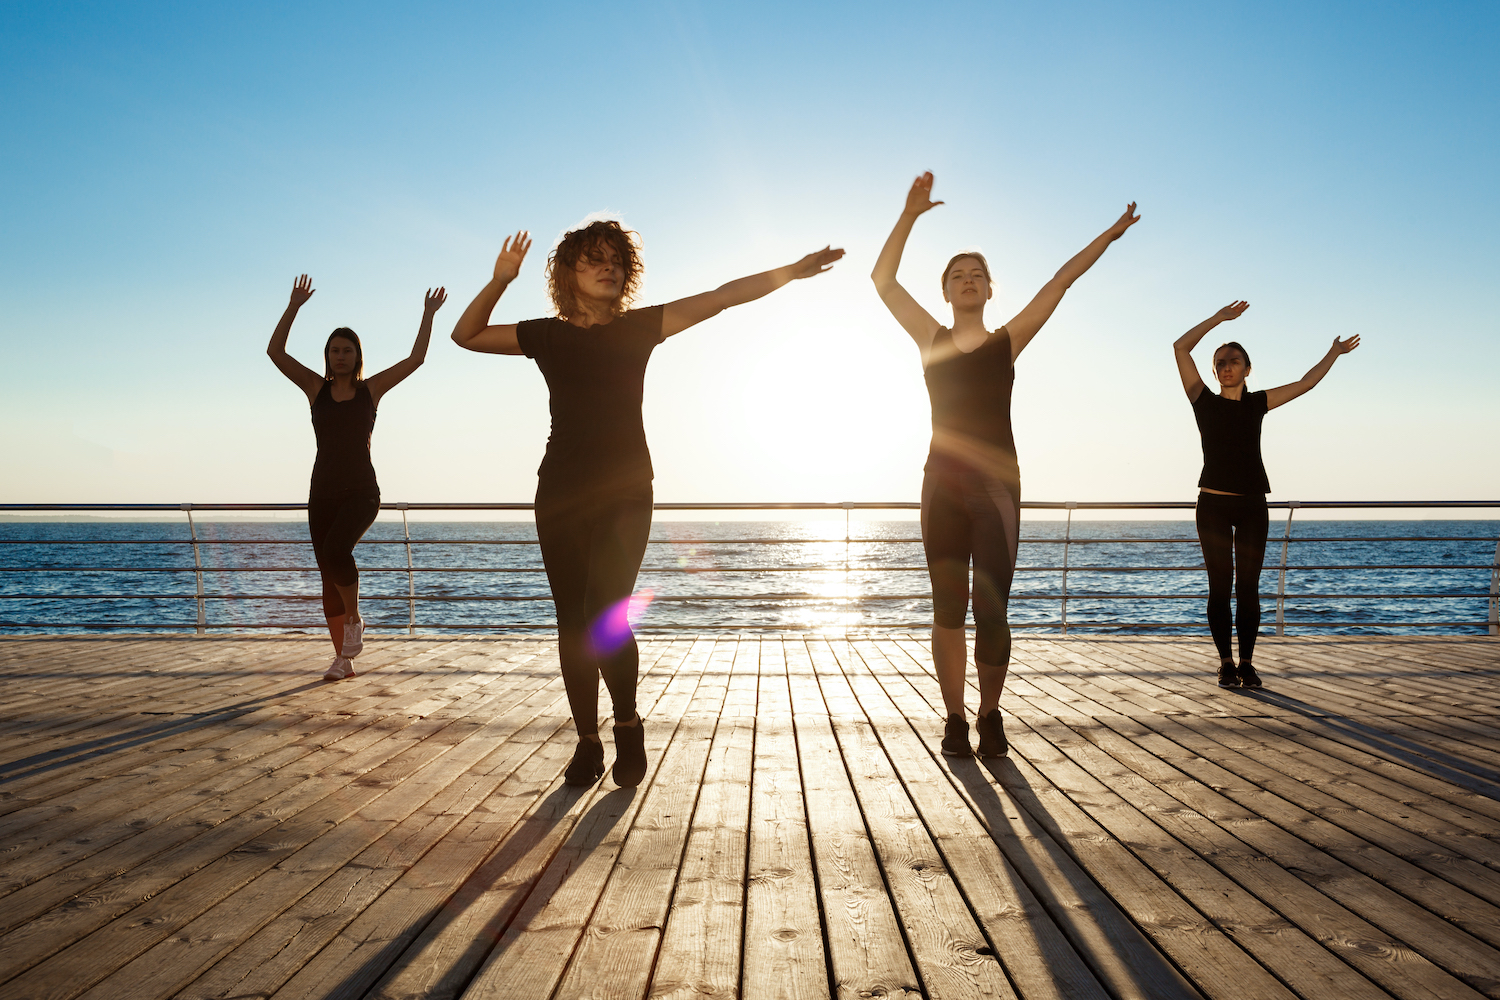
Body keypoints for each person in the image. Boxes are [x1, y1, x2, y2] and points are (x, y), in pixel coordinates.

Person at [452, 221, 842, 787]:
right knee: (571, 620)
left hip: (627, 488)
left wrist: (792, 270)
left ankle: (627, 723)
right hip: (560, 488)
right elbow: (467, 334)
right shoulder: (548, 335)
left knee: (603, 610)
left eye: (616, 259)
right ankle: (587, 741)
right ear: (569, 274)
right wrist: (499, 280)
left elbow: (721, 297)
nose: (608, 266)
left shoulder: (639, 328)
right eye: (593, 260)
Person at [871, 172, 1139, 758]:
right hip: (940, 487)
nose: (968, 282)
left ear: (990, 290)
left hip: (995, 490)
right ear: (946, 292)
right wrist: (910, 214)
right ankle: (954, 717)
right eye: (957, 277)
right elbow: (882, 280)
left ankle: (991, 712)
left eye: (977, 276)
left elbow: (1061, 280)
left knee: (992, 611)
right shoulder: (931, 338)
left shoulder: (1007, 341)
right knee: (948, 607)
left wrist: (1110, 235)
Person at [267, 275, 447, 681]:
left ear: (357, 355)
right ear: (327, 356)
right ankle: (342, 658)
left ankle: (354, 619)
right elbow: (275, 352)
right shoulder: (316, 389)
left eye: (347, 350)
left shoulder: (371, 391)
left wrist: (427, 315)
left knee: (336, 552)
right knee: (328, 577)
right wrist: (294, 305)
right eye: (334, 350)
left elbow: (415, 359)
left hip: (362, 493)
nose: (340, 356)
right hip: (322, 493)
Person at [1172, 301, 1359, 688]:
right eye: (1220, 361)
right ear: (1214, 370)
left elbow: (1306, 383)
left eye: (1234, 360)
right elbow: (1179, 347)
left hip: (1253, 504)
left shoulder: (1259, 403)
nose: (1226, 365)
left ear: (1247, 368)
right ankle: (1225, 662)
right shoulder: (1202, 401)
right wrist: (1217, 319)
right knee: (1220, 587)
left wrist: (1334, 352)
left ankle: (1247, 663)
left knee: (1249, 588)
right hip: (1213, 506)